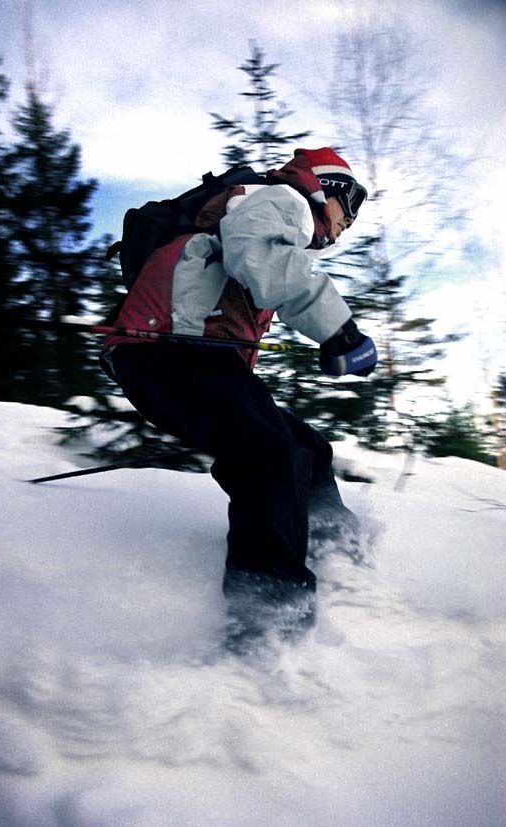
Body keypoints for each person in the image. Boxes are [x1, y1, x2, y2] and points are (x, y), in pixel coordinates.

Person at [102, 147, 377, 650]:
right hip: (168, 351)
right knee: (269, 454)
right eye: (351, 202)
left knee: (306, 449)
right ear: (325, 187)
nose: (350, 221)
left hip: (182, 356)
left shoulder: (259, 204)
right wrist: (340, 332)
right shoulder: (283, 199)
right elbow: (259, 254)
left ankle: (337, 550)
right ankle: (267, 621)